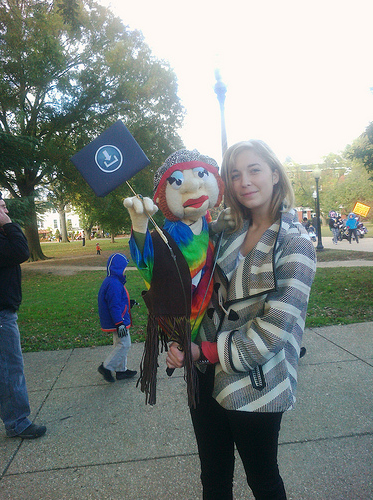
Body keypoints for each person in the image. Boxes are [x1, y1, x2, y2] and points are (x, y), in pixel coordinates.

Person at [166, 140, 316, 499]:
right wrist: (177, 336)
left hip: (256, 383)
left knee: (262, 480)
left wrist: (202, 351)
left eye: (254, 170)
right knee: (213, 479)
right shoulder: (228, 230)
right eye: (234, 175)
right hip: (203, 378)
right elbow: (193, 281)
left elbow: (272, 332)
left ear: (275, 175)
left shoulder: (296, 245)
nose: (244, 181)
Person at [124, 149, 224, 406]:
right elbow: (152, 265)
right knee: (203, 402)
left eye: (201, 174)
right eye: (177, 181)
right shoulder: (173, 234)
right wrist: (139, 227)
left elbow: (207, 242)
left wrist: (220, 228)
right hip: (187, 322)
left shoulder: (207, 221)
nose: (192, 184)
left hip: (212, 327)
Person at [0, 191, 47, 439]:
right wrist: (8, 224)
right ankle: (17, 422)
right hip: (1, 317)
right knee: (9, 370)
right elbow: (20, 251)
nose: (6, 213)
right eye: (2, 208)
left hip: (4, 313)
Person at [97, 253, 137, 382]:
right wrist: (119, 323)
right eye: (124, 266)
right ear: (119, 267)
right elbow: (113, 306)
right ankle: (106, 367)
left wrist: (129, 303)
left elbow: (117, 301)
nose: (126, 269)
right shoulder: (113, 283)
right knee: (124, 344)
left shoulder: (114, 281)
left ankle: (121, 371)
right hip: (118, 321)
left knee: (120, 344)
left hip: (118, 319)